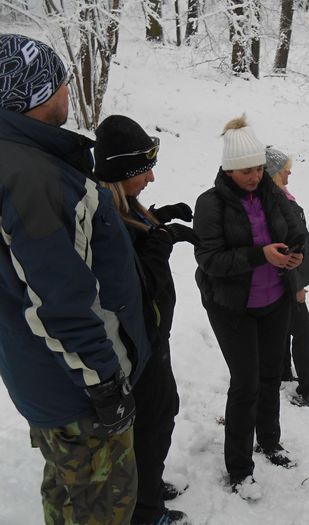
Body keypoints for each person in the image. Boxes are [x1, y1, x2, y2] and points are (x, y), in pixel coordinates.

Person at [0, 34, 151, 524]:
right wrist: (104, 383)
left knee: (69, 495)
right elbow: (58, 300)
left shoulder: (23, 163)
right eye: (61, 80)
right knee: (102, 507)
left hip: (46, 380)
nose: (68, 90)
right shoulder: (33, 178)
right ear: (37, 93)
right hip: (78, 392)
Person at [193, 115, 305, 499]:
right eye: (246, 171)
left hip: (274, 300)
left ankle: (270, 441)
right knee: (245, 384)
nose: (255, 176)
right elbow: (210, 260)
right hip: (232, 307)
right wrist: (261, 255)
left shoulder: (271, 193)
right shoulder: (210, 204)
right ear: (228, 170)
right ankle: (239, 468)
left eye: (258, 168)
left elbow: (295, 230)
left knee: (271, 375)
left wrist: (295, 254)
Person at [94, 115, 198, 525]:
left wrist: (158, 220)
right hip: (138, 346)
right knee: (153, 423)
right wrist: (159, 244)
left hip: (151, 339)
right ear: (121, 174)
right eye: (143, 170)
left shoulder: (121, 206)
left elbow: (136, 235)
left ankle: (146, 486)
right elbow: (137, 288)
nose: (151, 177)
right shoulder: (105, 217)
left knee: (160, 415)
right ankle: (146, 512)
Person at [266, 147, 309, 410]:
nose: (289, 173)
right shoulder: (275, 203)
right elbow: (287, 248)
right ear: (273, 173)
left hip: (286, 277)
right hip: (286, 278)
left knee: (284, 325)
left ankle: (282, 373)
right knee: (303, 330)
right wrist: (297, 285)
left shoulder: (281, 198)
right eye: (285, 169)